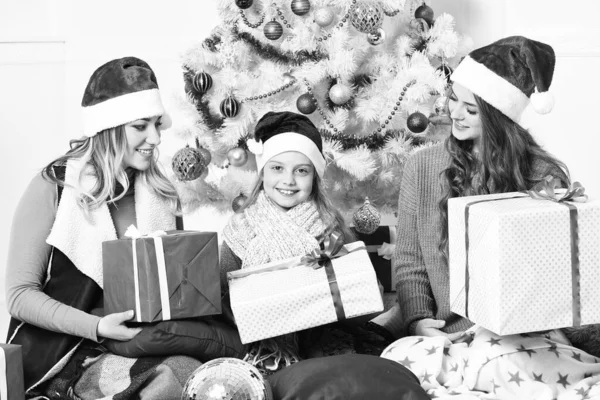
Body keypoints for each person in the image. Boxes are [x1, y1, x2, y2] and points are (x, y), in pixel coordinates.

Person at [5, 57, 201, 399]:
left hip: (145, 344)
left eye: (157, 124)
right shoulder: (54, 186)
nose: (155, 138)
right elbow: (19, 296)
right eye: (141, 126)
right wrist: (96, 327)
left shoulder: (162, 193)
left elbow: (175, 291)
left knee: (197, 373)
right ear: (110, 127)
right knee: (169, 377)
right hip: (65, 354)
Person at [394, 36, 570, 340]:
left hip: (526, 333)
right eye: (453, 99)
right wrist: (418, 320)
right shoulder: (422, 167)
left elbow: (554, 273)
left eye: (471, 110)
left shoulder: (543, 174)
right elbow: (410, 260)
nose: (455, 114)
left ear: (499, 116)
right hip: (447, 335)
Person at [220, 111, 388, 374]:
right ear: (263, 173)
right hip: (259, 337)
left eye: (301, 170)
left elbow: (358, 290)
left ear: (314, 177)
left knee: (335, 366)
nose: (288, 180)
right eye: (277, 168)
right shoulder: (241, 228)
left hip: (322, 330)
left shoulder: (329, 227)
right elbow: (218, 291)